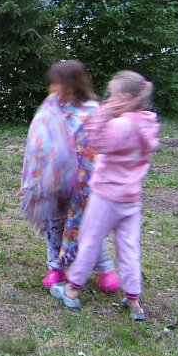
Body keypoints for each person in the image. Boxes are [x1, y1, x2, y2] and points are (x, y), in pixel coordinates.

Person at [50, 71, 160, 320]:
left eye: (112, 95)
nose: (108, 98)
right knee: (129, 248)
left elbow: (96, 141)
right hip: (131, 199)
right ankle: (134, 302)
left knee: (89, 241)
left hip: (107, 196)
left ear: (123, 97)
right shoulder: (148, 122)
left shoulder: (123, 125)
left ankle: (72, 290)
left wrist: (104, 112)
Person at [20, 60, 121, 291]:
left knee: (86, 228)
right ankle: (57, 268)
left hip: (84, 183)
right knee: (54, 226)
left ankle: (105, 269)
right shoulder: (50, 108)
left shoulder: (92, 111)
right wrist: (28, 180)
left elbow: (101, 146)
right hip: (51, 183)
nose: (54, 88)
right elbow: (36, 146)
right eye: (53, 83)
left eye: (58, 83)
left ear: (73, 84)